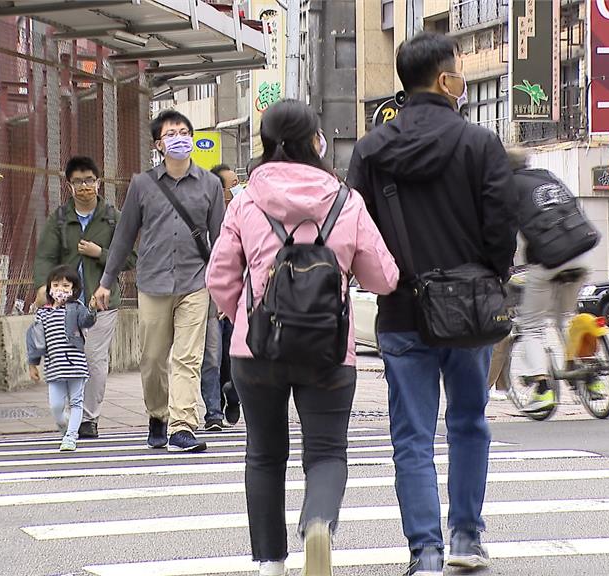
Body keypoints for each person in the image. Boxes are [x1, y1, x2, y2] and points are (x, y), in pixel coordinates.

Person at [346, 32, 517, 575]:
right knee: (469, 420)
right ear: (446, 81)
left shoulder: (372, 149)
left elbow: (356, 230)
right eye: (460, 71)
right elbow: (500, 228)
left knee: (412, 436)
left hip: (400, 308)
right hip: (467, 309)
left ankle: (425, 551)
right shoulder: (479, 143)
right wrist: (491, 277)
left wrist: (388, 280)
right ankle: (466, 536)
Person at [207, 99, 399, 576]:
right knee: (328, 451)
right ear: (316, 141)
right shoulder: (345, 200)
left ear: (265, 144)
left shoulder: (246, 200)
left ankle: (270, 563)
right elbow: (384, 278)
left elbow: (219, 277)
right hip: (330, 349)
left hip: (256, 353)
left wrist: (248, 320)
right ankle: (317, 523)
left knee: (265, 454)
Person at [94, 109, 224, 453]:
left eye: (184, 131)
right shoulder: (142, 185)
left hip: (196, 282)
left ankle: (183, 425)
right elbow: (123, 237)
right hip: (152, 282)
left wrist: (227, 288)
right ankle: (157, 414)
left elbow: (222, 240)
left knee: (187, 358)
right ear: (159, 144)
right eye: (171, 133)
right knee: (152, 358)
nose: (179, 138)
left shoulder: (210, 184)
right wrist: (106, 281)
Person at [33, 156, 134, 439]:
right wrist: (42, 287)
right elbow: (45, 256)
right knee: (68, 357)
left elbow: (131, 257)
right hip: (65, 303)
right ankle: (71, 410)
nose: (85, 186)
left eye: (89, 180)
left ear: (99, 182)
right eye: (78, 181)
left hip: (101, 301)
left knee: (93, 359)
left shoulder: (114, 217)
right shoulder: (60, 218)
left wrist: (99, 253)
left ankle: (88, 418)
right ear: (69, 185)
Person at [505, 148, 604, 415]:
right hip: (581, 252)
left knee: (532, 326)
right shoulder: (547, 176)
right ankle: (590, 375)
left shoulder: (508, 186)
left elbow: (506, 231)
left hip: (549, 259)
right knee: (567, 317)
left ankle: (542, 388)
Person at [27, 265, 96, 451]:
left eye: (66, 286)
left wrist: (92, 309)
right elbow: (36, 339)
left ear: (74, 290)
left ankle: (71, 436)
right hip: (54, 367)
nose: (60, 289)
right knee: (56, 406)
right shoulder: (43, 313)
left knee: (76, 402)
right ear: (49, 288)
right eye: (56, 284)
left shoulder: (76, 308)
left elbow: (87, 321)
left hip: (76, 366)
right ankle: (65, 426)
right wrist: (33, 363)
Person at [210, 163, 241, 426]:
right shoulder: (211, 217)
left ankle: (233, 394)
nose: (238, 187)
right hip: (213, 298)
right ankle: (215, 406)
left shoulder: (246, 214)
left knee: (233, 353)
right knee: (214, 354)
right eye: (233, 184)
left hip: (240, 299)